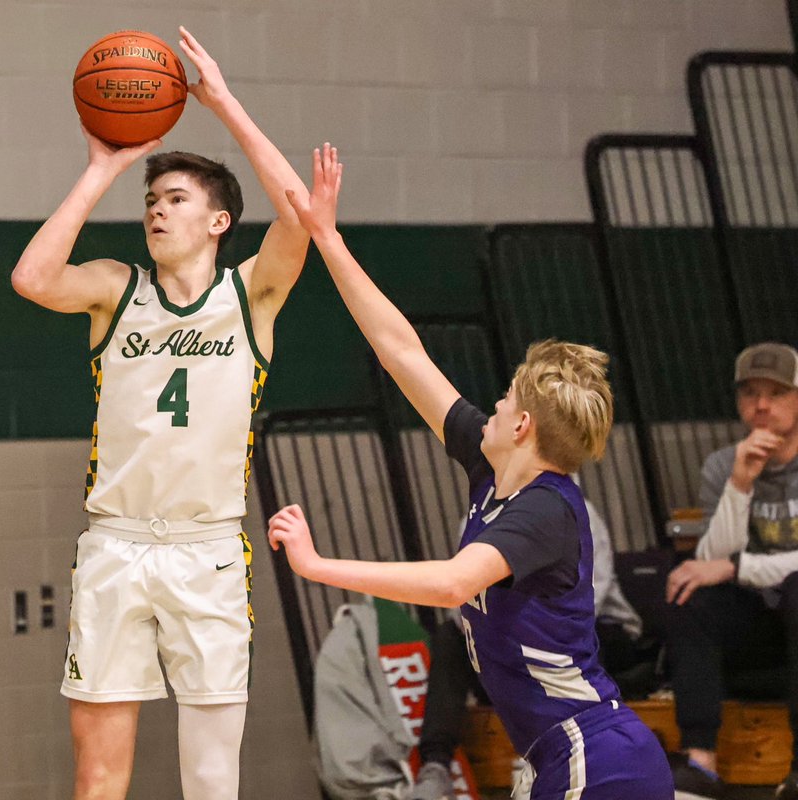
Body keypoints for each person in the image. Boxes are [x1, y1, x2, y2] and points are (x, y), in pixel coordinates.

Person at [268, 144, 673, 799]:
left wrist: (318, 567)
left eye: (506, 398)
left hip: (595, 756)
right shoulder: (492, 471)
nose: (492, 405)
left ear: (523, 426)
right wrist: (327, 239)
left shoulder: (545, 509)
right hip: (558, 755)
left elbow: (454, 583)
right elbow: (401, 353)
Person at [11, 26, 310, 800]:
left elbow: (300, 213)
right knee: (97, 778)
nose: (157, 211)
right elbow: (32, 278)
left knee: (211, 780)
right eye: (151, 201)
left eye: (176, 199)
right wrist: (101, 168)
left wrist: (225, 104)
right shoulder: (115, 289)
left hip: (208, 552)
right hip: (116, 546)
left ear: (218, 222)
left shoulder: (250, 296)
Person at [411, 492, 647, 800]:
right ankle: (436, 764)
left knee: (581, 636)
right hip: (507, 644)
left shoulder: (575, 510)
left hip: (586, 633)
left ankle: (581, 760)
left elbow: (588, 599)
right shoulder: (477, 519)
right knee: (449, 637)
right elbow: (463, 602)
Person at [664, 342, 798, 800]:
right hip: (759, 628)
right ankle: (700, 763)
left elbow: (727, 564)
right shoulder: (723, 464)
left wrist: (737, 567)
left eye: (776, 393)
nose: (761, 405)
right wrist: (740, 482)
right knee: (690, 590)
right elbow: (709, 563)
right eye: (750, 393)